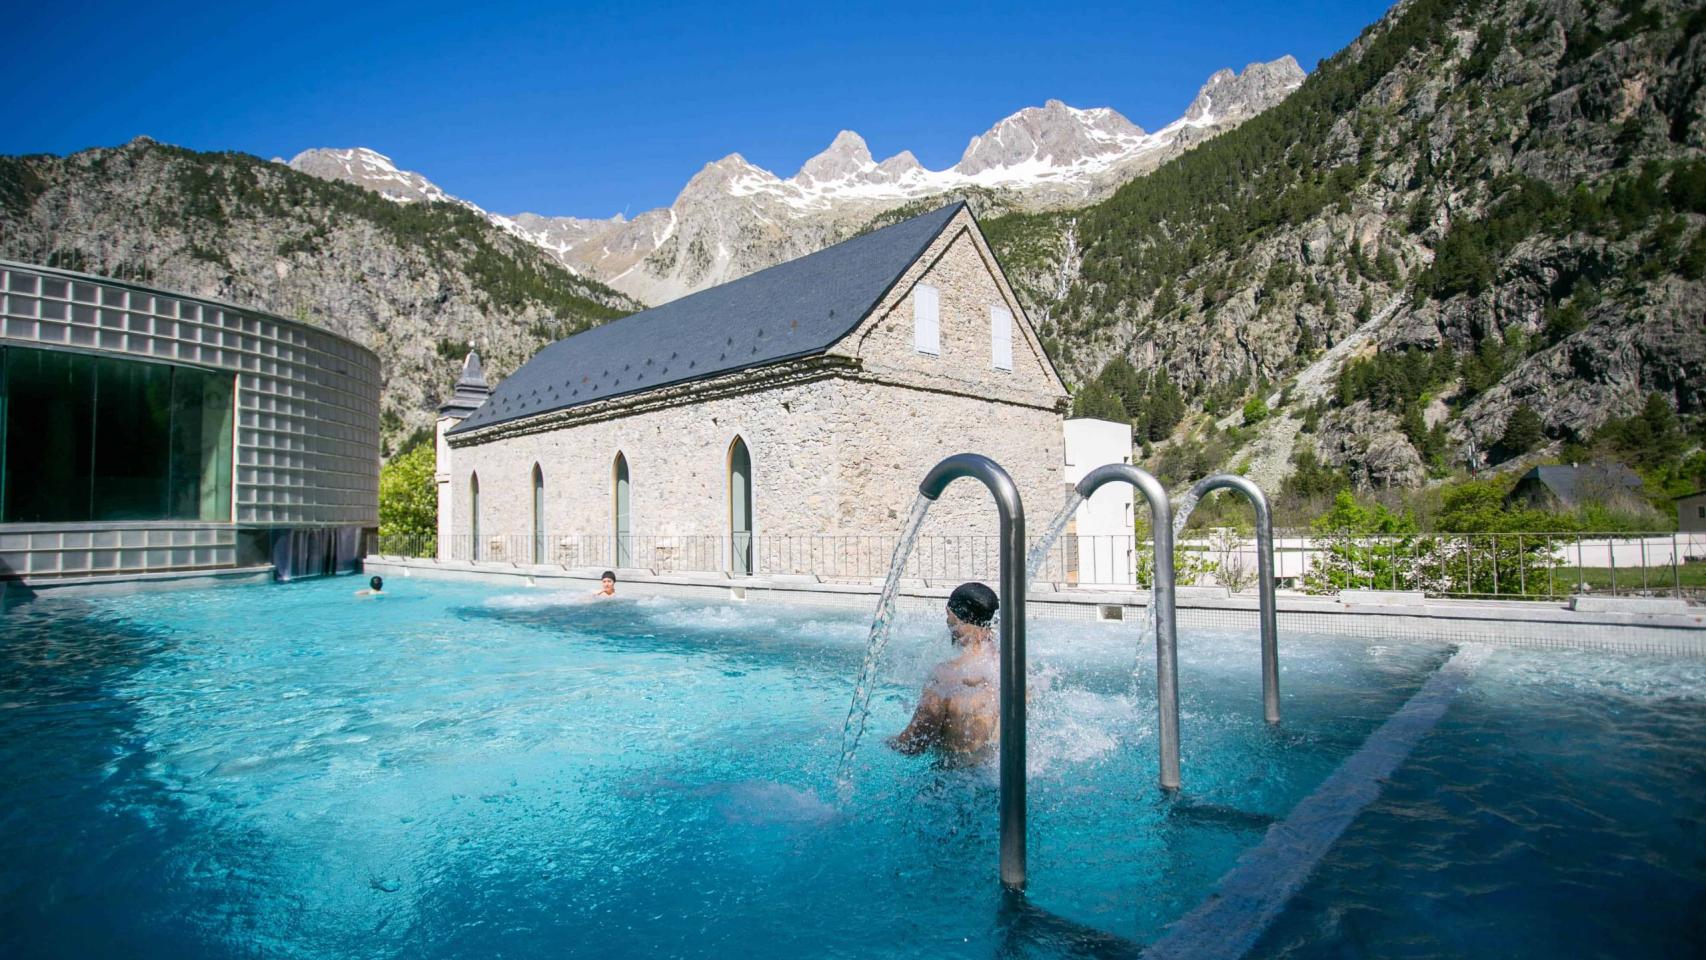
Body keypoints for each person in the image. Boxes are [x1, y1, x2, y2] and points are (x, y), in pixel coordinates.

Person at [887, 582, 1000, 758]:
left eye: (948, 615)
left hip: (956, 781)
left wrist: (882, 741)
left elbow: (913, 745)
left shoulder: (946, 677)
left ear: (953, 616)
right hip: (1003, 778)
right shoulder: (1013, 670)